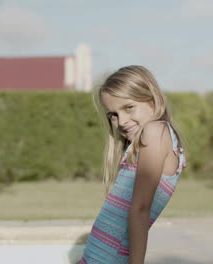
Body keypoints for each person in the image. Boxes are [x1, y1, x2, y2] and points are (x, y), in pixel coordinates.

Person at [78, 65, 186, 264]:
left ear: (152, 99)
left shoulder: (155, 132)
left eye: (128, 108)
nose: (122, 121)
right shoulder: (145, 139)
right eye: (113, 115)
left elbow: (140, 209)